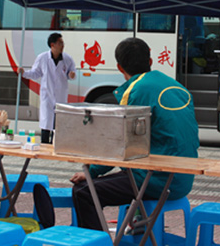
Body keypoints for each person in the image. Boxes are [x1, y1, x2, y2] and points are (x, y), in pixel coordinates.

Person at [70, 37, 199, 231]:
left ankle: (97, 242)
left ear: (119, 67)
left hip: (157, 181)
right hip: (184, 179)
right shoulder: (178, 87)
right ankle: (137, 230)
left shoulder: (136, 90)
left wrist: (90, 172)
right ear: (150, 61)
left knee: (83, 191)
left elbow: (121, 145)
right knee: (123, 175)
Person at [18, 33, 76, 144]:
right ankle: (44, 144)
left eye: (62, 43)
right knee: (46, 123)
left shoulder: (67, 59)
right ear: (52, 45)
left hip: (60, 96)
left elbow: (72, 72)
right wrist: (24, 73)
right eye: (60, 43)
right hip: (47, 95)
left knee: (58, 124)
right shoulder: (42, 58)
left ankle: (55, 144)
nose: (62, 45)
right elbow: (35, 73)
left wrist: (72, 75)